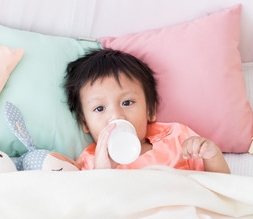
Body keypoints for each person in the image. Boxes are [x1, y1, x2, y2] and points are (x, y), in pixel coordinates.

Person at [64, 49, 230, 173]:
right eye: (100, 108)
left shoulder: (176, 138)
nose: (116, 116)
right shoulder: (88, 163)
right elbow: (89, 208)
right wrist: (102, 172)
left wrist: (212, 156)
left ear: (149, 110)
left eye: (127, 102)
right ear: (85, 122)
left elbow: (220, 189)